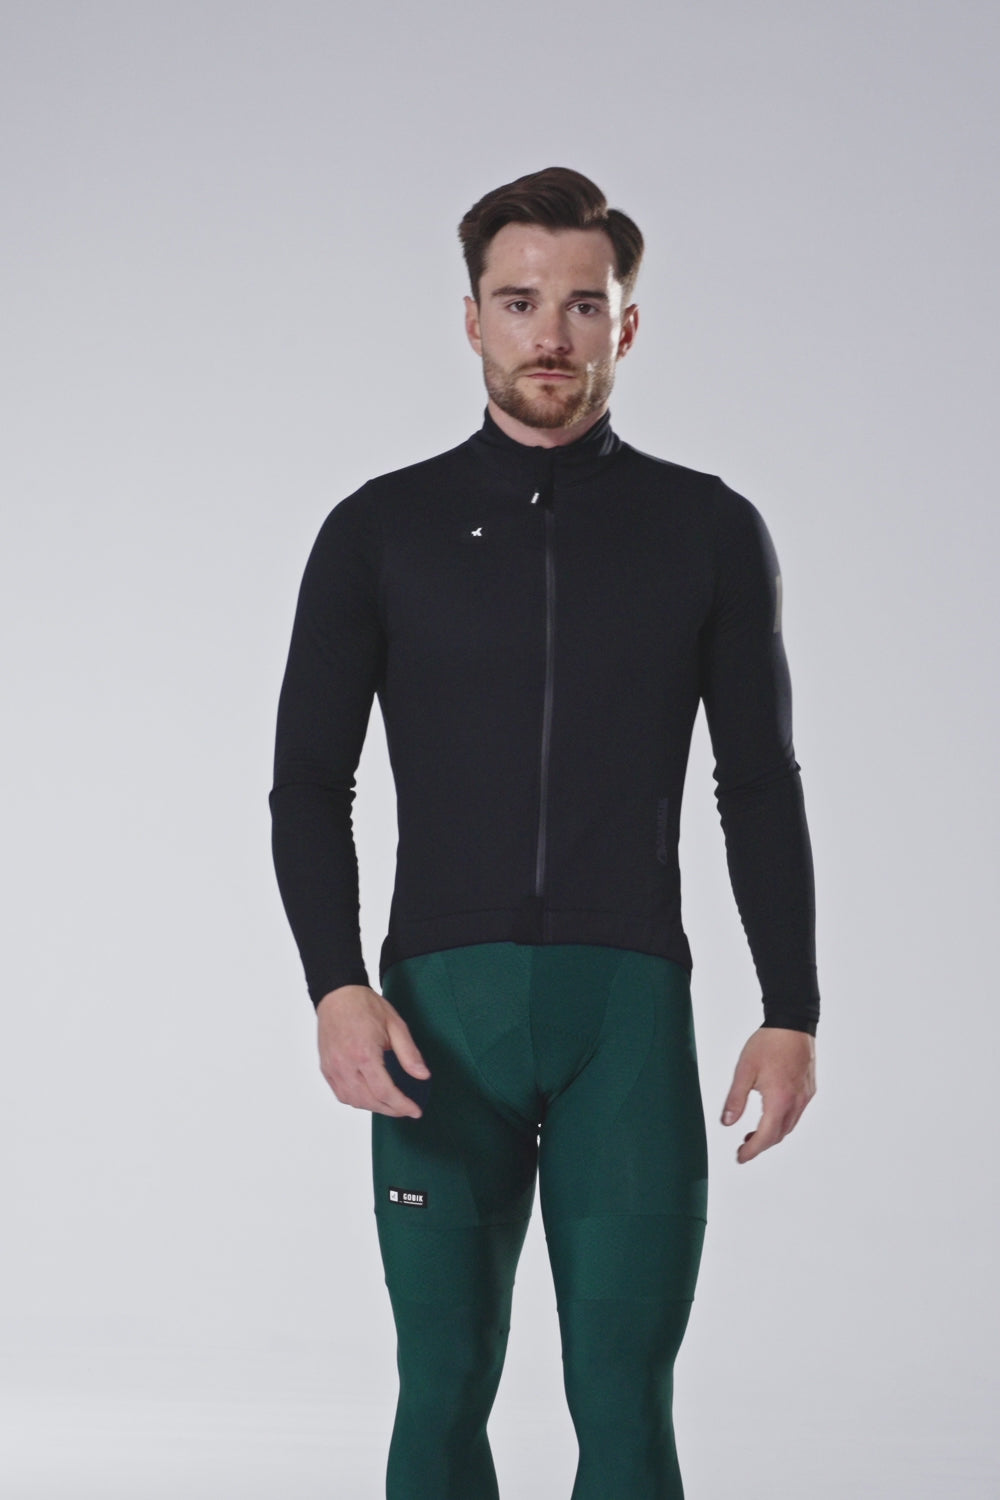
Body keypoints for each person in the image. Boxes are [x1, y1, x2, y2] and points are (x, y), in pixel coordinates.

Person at [269, 165, 819, 1500]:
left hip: (625, 1020)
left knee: (625, 1402)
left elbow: (758, 780)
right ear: (473, 319)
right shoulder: (378, 530)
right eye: (519, 302)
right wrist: (335, 984)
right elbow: (309, 783)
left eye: (582, 304)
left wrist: (791, 1008)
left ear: (625, 324)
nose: (551, 334)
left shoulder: (707, 529)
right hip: (435, 1023)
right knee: (442, 1382)